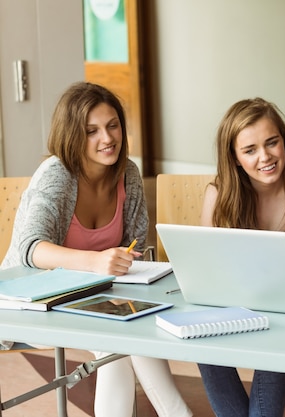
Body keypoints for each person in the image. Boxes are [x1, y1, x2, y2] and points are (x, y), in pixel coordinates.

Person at [0, 82, 191, 417]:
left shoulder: (127, 174)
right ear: (73, 134)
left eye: (113, 125)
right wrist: (96, 262)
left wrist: (126, 262)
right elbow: (32, 249)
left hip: (94, 299)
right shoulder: (57, 174)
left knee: (133, 325)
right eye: (92, 131)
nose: (107, 138)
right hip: (31, 303)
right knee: (117, 338)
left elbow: (135, 244)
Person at [197, 97, 285, 417]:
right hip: (232, 300)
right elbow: (205, 266)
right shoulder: (219, 193)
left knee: (278, 324)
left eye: (272, 143)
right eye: (250, 149)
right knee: (201, 329)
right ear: (235, 158)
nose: (265, 157)